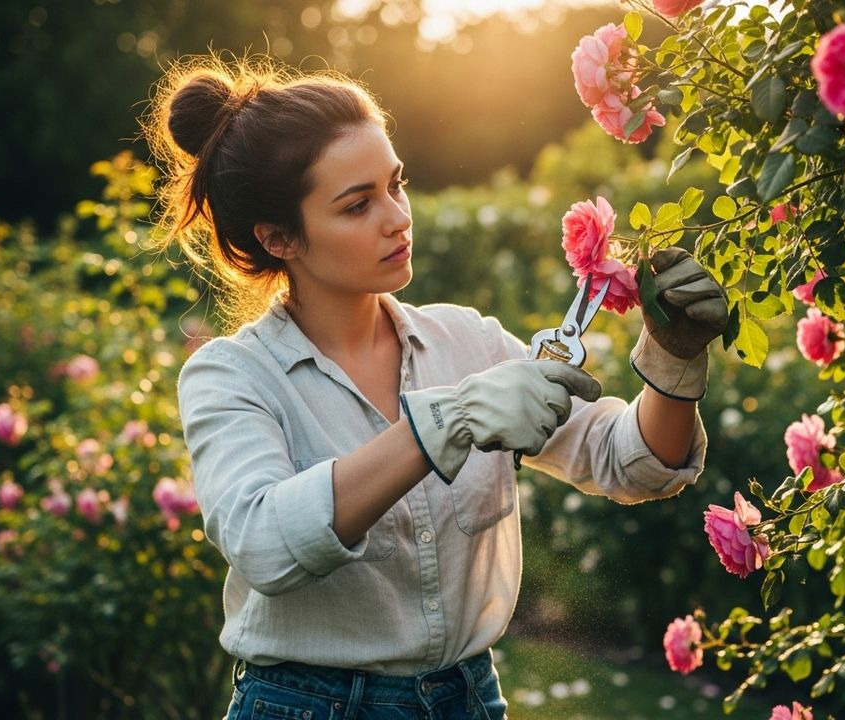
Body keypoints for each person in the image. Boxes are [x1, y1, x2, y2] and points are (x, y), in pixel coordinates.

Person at [145, 55, 728, 720]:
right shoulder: (234, 376)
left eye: (396, 185)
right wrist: (444, 423)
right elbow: (265, 544)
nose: (397, 218)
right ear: (280, 238)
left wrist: (674, 363)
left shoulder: (467, 342)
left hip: (468, 700)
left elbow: (627, 464)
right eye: (358, 205)